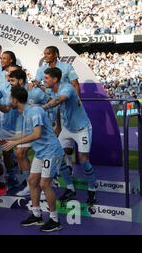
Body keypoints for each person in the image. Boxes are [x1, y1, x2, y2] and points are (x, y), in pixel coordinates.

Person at [1, 86, 64, 232]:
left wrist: (15, 143)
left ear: (15, 100)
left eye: (10, 98)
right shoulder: (25, 112)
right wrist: (6, 139)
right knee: (32, 181)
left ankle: (55, 220)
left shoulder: (34, 111)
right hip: (41, 152)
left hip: (51, 151)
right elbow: (25, 133)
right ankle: (36, 216)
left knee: (44, 184)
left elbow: (36, 134)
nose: (9, 100)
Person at [42, 67, 96, 205]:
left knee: (84, 160)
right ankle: (70, 188)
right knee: (57, 155)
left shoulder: (67, 88)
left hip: (81, 128)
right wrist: (59, 127)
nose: (44, 80)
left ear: (55, 79)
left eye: (46, 78)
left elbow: (59, 100)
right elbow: (60, 109)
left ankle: (92, 189)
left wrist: (43, 108)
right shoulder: (51, 90)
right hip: (67, 128)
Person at [33, 46, 81, 173]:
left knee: (67, 137)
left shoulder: (66, 67)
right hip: (50, 107)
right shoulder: (41, 70)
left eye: (48, 53)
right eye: (44, 53)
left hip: (66, 107)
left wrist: (76, 102)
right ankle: (53, 166)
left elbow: (75, 84)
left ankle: (68, 164)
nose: (46, 56)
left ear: (55, 54)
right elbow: (36, 85)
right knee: (52, 137)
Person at [6, 69, 49, 197]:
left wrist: (48, 117)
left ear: (20, 80)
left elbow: (50, 101)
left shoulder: (34, 91)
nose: (10, 83)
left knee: (42, 151)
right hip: (21, 126)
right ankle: (31, 185)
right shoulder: (13, 92)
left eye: (12, 80)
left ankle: (43, 182)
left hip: (37, 127)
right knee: (19, 154)